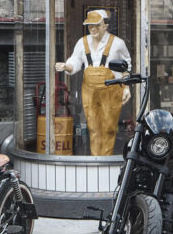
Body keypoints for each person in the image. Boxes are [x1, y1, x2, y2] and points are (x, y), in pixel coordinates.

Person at [55, 10, 132, 156]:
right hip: (89, 91)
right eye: (90, 25)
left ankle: (106, 158)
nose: (93, 29)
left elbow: (126, 66)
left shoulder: (118, 43)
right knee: (93, 128)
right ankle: (96, 158)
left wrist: (126, 87)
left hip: (112, 90)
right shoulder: (82, 42)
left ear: (105, 25)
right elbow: (75, 61)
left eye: (97, 25)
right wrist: (66, 66)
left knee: (109, 128)